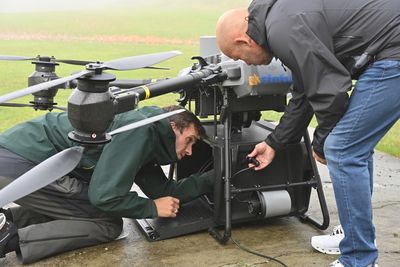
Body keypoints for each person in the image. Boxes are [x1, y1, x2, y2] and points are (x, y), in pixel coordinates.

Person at [216, 1, 399, 266]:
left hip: (393, 52)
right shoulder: (278, 20)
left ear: (244, 40)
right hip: (387, 49)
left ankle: (360, 258)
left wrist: (322, 142)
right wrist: (274, 142)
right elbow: (305, 90)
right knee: (353, 148)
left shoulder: (283, 29)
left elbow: (329, 88)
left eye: (237, 56)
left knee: (342, 150)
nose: (242, 62)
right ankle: (356, 237)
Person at [0, 105, 214, 264]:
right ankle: (6, 238)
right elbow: (105, 197)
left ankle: (7, 220)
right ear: (174, 126)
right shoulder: (141, 131)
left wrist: (216, 177)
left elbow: (166, 191)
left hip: (15, 158)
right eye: (189, 140)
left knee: (82, 209)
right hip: (24, 165)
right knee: (107, 223)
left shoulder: (148, 136)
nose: (190, 151)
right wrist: (150, 208)